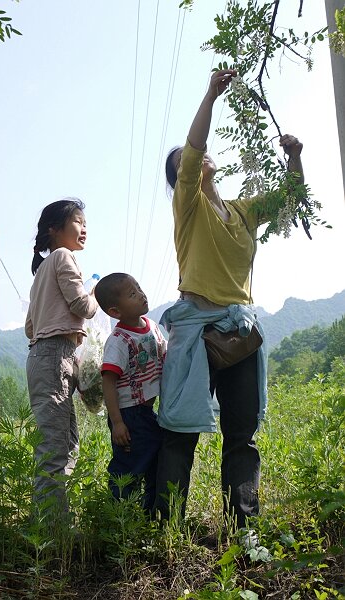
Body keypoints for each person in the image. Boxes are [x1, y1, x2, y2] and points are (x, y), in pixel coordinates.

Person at [154, 69, 304, 530]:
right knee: (181, 433)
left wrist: (295, 158)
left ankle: (245, 531)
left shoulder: (240, 210)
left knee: (242, 436)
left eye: (195, 159)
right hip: (196, 332)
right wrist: (210, 94)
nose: (196, 160)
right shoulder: (189, 206)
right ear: (180, 176)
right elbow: (194, 147)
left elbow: (290, 199)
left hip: (237, 334)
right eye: (185, 162)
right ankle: (165, 530)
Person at [25, 197, 98, 511]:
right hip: (55, 356)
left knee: (63, 443)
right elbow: (83, 307)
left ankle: (56, 524)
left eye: (85, 224)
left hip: (45, 356)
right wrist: (97, 290)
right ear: (55, 229)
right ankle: (51, 531)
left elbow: (30, 327)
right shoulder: (64, 256)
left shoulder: (41, 271)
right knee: (57, 448)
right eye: (78, 222)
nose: (84, 229)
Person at [94, 273, 167, 511]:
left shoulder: (152, 328)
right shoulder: (119, 340)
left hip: (147, 413)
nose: (141, 295)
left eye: (139, 288)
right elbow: (108, 381)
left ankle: (147, 517)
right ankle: (119, 515)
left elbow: (165, 357)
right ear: (115, 311)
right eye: (132, 294)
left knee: (154, 463)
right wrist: (117, 422)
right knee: (128, 468)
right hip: (129, 416)